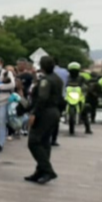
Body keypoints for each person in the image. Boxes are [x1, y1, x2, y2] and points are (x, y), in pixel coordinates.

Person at [26, 56, 64, 184]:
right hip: (54, 112)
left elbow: (42, 98)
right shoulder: (57, 79)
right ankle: (40, 171)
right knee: (44, 143)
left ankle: (48, 170)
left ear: (41, 66)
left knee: (33, 142)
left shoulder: (46, 81)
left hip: (44, 112)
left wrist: (34, 113)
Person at [65, 62, 93, 135]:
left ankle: (88, 128)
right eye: (72, 71)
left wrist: (87, 88)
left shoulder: (81, 77)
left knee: (84, 110)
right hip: (69, 94)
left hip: (79, 95)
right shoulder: (67, 77)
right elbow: (63, 84)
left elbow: (87, 84)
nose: (73, 72)